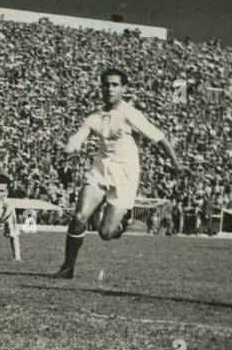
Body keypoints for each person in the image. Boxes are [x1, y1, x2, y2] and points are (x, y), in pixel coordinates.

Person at [53, 68, 180, 279]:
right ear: (101, 87)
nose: (109, 88)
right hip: (100, 170)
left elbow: (160, 139)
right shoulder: (94, 117)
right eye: (106, 84)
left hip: (125, 177)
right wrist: (67, 149)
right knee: (78, 217)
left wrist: (176, 163)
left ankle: (122, 224)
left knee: (106, 233)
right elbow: (77, 139)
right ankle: (68, 267)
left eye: (114, 85)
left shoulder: (131, 114)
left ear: (124, 88)